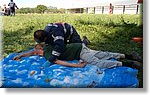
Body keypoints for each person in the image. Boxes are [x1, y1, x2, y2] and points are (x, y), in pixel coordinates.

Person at [13, 43, 142, 69]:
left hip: (80, 52)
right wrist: (22, 55)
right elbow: (31, 51)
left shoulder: (47, 54)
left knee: (99, 63)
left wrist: (77, 65)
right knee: (103, 54)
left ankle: (128, 63)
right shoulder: (48, 45)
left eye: (37, 52)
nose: (37, 54)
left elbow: (60, 62)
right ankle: (130, 55)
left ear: (41, 49)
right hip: (79, 46)